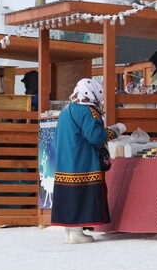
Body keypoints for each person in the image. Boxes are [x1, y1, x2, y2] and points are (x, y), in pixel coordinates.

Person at [52, 78, 125, 244]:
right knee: (81, 194)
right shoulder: (88, 111)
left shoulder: (65, 111)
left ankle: (70, 232)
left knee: (69, 195)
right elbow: (95, 136)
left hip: (65, 162)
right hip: (82, 162)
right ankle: (77, 232)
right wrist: (116, 130)